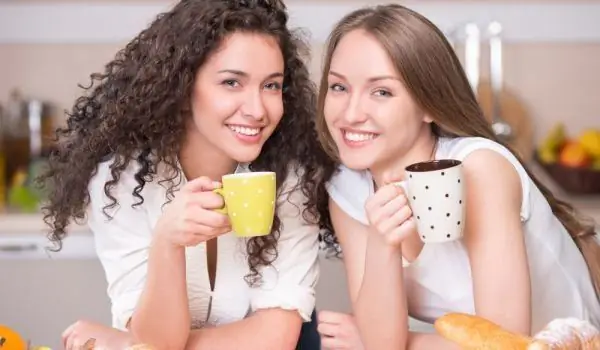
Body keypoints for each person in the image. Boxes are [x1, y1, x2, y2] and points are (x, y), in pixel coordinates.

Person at [39, 0, 334, 349]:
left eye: (271, 86)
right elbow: (158, 340)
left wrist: (124, 345)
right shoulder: (119, 184)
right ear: (180, 87)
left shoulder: (291, 179)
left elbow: (274, 338)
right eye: (231, 83)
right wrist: (167, 242)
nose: (257, 110)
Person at [313, 4, 600, 350]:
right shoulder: (347, 189)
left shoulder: (478, 170)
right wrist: (381, 244)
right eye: (338, 87)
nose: (351, 113)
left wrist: (410, 342)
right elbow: (381, 342)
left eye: (382, 92)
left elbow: (506, 343)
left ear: (429, 105)